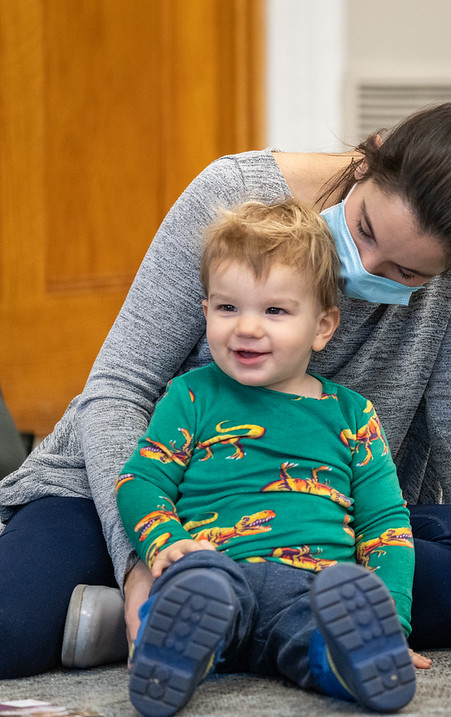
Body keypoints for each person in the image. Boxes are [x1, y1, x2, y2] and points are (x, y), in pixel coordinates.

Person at [0, 84, 451, 679]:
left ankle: (178, 625)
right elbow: (120, 387)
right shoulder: (232, 195)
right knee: (9, 629)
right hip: (157, 499)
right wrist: (139, 561)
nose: (364, 269)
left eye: (406, 272)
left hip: (317, 523)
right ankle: (187, 609)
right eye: (366, 230)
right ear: (368, 158)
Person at [119, 199, 417, 714]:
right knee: (196, 593)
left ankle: (354, 660)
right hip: (216, 570)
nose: (247, 328)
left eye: (274, 310)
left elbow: (386, 523)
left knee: (322, 638)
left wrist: (390, 619)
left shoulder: (352, 415)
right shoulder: (190, 395)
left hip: (313, 587)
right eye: (228, 307)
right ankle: (172, 652)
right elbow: (141, 481)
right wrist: (164, 543)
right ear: (206, 309)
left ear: (323, 327)